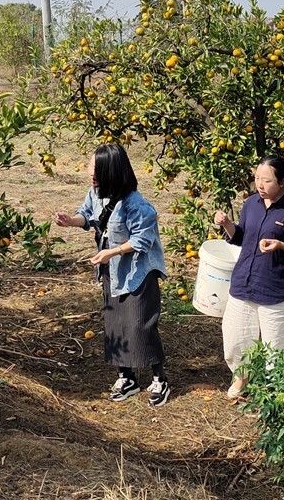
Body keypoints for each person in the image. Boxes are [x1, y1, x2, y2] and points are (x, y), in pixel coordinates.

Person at [54, 144, 171, 406]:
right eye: (90, 166)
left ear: (111, 171)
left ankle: (159, 379)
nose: (90, 172)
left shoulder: (137, 205)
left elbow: (143, 240)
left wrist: (113, 252)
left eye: (95, 169)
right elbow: (87, 215)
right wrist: (70, 221)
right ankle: (126, 377)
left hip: (138, 272)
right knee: (115, 323)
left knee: (140, 324)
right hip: (112, 269)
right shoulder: (96, 193)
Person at [213, 155, 284, 398]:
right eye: (257, 178)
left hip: (276, 290)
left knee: (276, 349)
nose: (260, 184)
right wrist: (227, 224)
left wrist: (281, 245)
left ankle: (274, 395)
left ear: (282, 181)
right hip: (244, 283)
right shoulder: (251, 204)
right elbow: (242, 237)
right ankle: (241, 379)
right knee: (235, 341)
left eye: (266, 180)